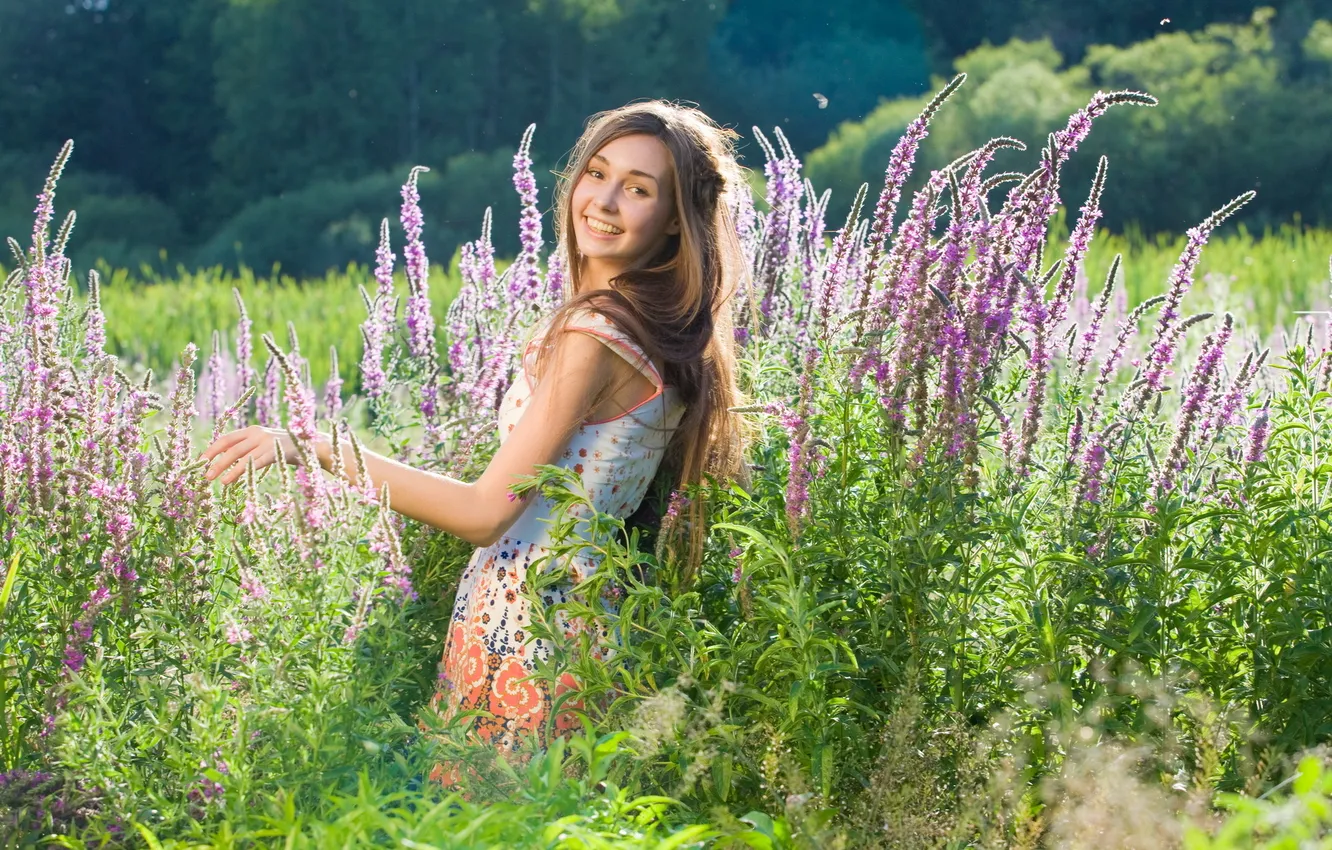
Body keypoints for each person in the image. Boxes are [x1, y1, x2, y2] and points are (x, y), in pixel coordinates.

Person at [199, 100, 750, 769]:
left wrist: (314, 447)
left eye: (637, 189)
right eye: (596, 173)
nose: (602, 201)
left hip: (526, 630)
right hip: (586, 624)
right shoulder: (653, 335)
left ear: (672, 225)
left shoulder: (595, 337)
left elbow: (484, 513)